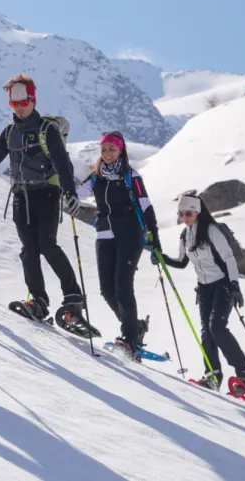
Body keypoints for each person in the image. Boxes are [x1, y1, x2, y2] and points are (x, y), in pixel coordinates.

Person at [0, 75, 85, 321]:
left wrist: (70, 192)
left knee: (47, 245)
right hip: (21, 196)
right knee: (29, 251)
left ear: (33, 99)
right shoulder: (10, 132)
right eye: (14, 103)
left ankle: (73, 298)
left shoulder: (47, 129)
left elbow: (62, 163)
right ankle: (38, 301)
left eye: (23, 102)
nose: (19, 108)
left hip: (46, 193)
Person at [159, 194, 245, 388]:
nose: (184, 218)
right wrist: (162, 258)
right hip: (204, 288)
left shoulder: (211, 230)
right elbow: (181, 263)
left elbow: (229, 258)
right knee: (206, 332)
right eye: (180, 214)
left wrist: (235, 285)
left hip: (223, 284)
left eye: (188, 213)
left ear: (197, 212)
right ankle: (213, 375)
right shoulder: (185, 235)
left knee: (217, 328)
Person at [76, 131, 159, 360]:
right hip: (105, 234)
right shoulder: (95, 177)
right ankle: (135, 326)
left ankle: (130, 338)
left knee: (123, 286)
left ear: (120, 150)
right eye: (104, 149)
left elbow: (146, 206)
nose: (108, 153)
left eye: (112, 149)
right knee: (106, 290)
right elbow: (75, 193)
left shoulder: (131, 176)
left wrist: (154, 236)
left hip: (131, 233)